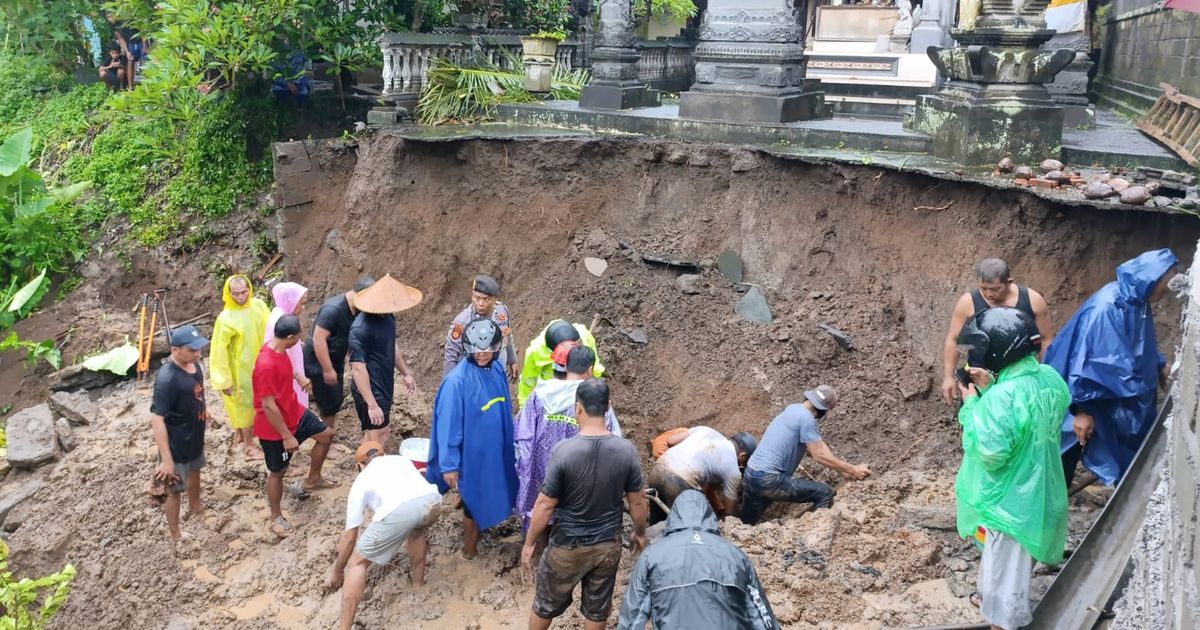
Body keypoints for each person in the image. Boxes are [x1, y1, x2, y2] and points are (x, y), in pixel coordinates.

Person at [955, 307, 1070, 630]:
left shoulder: (1001, 398)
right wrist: (991, 388)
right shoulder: (1049, 378)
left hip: (1010, 504)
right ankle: (990, 600)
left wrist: (973, 402)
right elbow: (1026, 419)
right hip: (1040, 492)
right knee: (1007, 563)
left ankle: (1001, 622)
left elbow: (990, 452)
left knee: (1007, 578)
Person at [1044, 248, 1179, 486]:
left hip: (1103, 399)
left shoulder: (1136, 301)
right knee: (1064, 456)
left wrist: (1158, 364)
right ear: (1151, 280)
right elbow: (1085, 366)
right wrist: (1080, 410)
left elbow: (1136, 345)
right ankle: (1047, 512)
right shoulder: (1106, 309)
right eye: (1165, 284)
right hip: (1079, 400)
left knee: (1102, 445)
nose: (1166, 292)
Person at [521, 379, 648, 630]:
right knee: (597, 610)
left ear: (577, 408)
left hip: (567, 545)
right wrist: (640, 532)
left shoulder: (563, 452)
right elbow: (638, 500)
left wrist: (529, 542)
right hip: (607, 546)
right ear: (608, 406)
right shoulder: (626, 451)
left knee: (544, 604)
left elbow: (545, 504)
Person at [617, 490, 779, 630]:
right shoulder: (736, 555)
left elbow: (632, 618)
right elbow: (762, 618)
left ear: (674, 518)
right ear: (709, 516)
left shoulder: (651, 556)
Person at [426, 318, 519, 559]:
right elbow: (448, 427)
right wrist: (449, 466)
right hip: (472, 455)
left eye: (487, 350)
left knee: (494, 487)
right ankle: (469, 551)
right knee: (472, 502)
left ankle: (484, 520)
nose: (482, 355)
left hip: (494, 450)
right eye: (477, 351)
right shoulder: (456, 383)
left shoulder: (497, 369)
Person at [328, 441, 442, 630]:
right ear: (382, 455)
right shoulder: (400, 460)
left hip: (402, 511)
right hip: (433, 502)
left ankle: (343, 628)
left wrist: (338, 570)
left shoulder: (361, 480)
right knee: (416, 530)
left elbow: (349, 537)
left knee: (358, 562)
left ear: (360, 465)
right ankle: (418, 584)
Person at [515, 344, 622, 531]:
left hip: (542, 473)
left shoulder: (540, 393)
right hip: (580, 475)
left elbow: (522, 434)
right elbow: (613, 438)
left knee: (542, 512)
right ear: (589, 370)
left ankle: (534, 544)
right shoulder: (593, 397)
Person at [253, 314, 338, 538]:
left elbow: (285, 368)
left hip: (294, 412)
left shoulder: (278, 350)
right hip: (274, 427)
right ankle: (276, 517)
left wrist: (298, 377)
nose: (299, 339)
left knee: (326, 435)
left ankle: (314, 479)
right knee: (278, 472)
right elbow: (268, 406)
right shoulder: (265, 364)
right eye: (298, 335)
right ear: (289, 337)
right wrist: (286, 436)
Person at [739, 386, 871, 524]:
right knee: (824, 493)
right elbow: (819, 454)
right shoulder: (807, 419)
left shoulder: (793, 408)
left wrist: (842, 470)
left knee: (746, 524)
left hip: (751, 474)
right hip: (769, 479)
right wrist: (853, 469)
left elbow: (817, 447)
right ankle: (810, 534)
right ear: (823, 410)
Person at [941, 258, 1054, 404]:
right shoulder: (968, 303)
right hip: (979, 378)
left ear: (1009, 282)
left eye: (994, 289)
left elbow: (1045, 338)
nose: (988, 294)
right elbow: (953, 339)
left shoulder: (1032, 300)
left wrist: (1046, 373)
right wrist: (948, 377)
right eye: (983, 288)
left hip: (1020, 379)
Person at [150, 325, 211, 549]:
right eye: (192, 350)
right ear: (175, 350)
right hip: (176, 444)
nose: (198, 353)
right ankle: (175, 534)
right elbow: (157, 419)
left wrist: (205, 410)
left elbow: (198, 391)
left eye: (198, 348)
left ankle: (196, 507)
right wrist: (167, 460)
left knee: (196, 471)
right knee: (174, 489)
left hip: (195, 435)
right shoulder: (167, 380)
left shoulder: (193, 365)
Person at [348, 274, 420, 447]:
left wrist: (405, 373)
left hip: (384, 382)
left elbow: (391, 345)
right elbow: (357, 369)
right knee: (378, 434)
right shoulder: (359, 329)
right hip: (370, 388)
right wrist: (372, 405)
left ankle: (363, 467)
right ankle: (369, 469)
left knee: (379, 433)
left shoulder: (388, 317)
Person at [210, 274, 271, 460]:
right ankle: (249, 444)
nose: (240, 297)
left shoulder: (258, 306)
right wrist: (224, 380)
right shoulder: (225, 318)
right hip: (239, 370)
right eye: (235, 293)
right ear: (228, 293)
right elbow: (218, 351)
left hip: (262, 363)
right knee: (244, 404)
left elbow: (271, 328)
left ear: (249, 289)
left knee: (264, 400)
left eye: (244, 292)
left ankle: (248, 434)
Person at [303, 277, 376, 430]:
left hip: (335, 359)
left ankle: (326, 435)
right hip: (319, 361)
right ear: (358, 296)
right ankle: (326, 440)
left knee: (334, 400)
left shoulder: (355, 309)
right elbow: (318, 340)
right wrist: (328, 369)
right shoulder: (333, 310)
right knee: (329, 403)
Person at [647, 427, 756, 524]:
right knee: (688, 527)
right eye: (745, 462)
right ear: (743, 455)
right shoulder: (733, 470)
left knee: (657, 522)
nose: (743, 466)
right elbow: (730, 513)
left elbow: (671, 441)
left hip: (658, 469)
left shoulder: (706, 430)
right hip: (680, 480)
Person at [443, 275, 519, 380]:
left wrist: (513, 361)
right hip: (473, 377)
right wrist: (450, 386)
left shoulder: (501, 311)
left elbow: (507, 335)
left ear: (495, 299)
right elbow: (451, 356)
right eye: (477, 298)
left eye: (486, 299)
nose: (480, 304)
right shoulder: (462, 323)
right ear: (472, 296)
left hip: (498, 372)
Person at [518, 319, 606, 407]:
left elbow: (593, 365)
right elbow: (528, 382)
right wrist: (524, 408)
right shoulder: (536, 352)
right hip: (551, 393)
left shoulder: (584, 336)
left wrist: (595, 388)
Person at [264, 281, 311, 409]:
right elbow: (278, 357)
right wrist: (297, 376)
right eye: (301, 303)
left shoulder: (283, 314)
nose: (303, 307)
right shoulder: (279, 321)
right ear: (291, 301)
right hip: (288, 379)